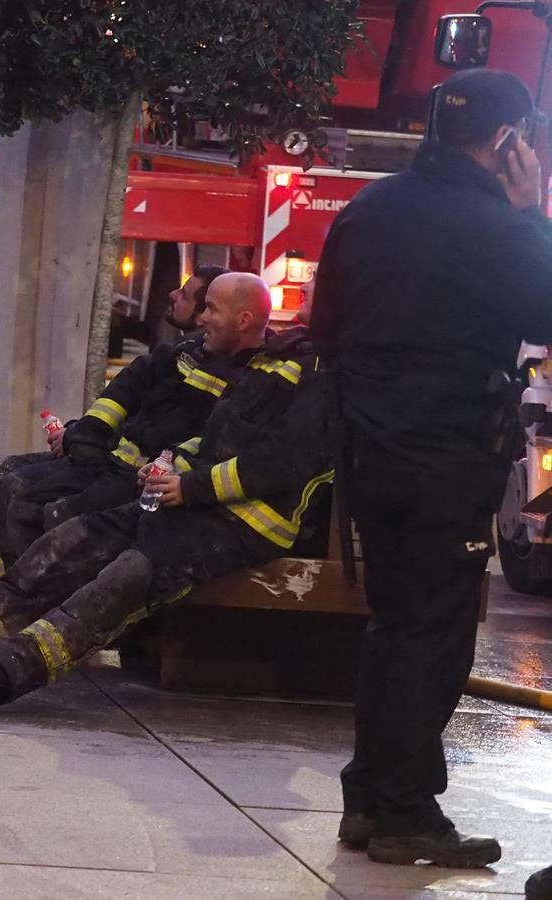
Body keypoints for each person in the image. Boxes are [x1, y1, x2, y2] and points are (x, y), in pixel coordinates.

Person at [311, 68, 552, 868]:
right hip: (448, 457)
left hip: (368, 453)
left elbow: (327, 325)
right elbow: (543, 315)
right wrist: (531, 216)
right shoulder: (499, 222)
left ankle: (371, 801)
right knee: (433, 637)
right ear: (509, 141)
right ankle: (408, 812)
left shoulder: (370, 207)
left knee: (389, 627)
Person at [0, 275, 331, 700]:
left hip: (243, 523)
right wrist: (171, 464)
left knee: (127, 576)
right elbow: (220, 432)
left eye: (315, 286)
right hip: (189, 499)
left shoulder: (326, 373)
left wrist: (191, 486)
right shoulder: (286, 355)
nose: (304, 287)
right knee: (72, 540)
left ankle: (3, 674)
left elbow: (283, 461)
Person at [0, 266, 235, 583]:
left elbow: (165, 433)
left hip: (133, 478)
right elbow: (122, 400)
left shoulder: (229, 374)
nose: (172, 294)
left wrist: (82, 442)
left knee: (33, 505)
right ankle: (3, 588)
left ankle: (24, 599)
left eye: (184, 294)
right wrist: (79, 436)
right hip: (109, 463)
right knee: (6, 475)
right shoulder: (178, 354)